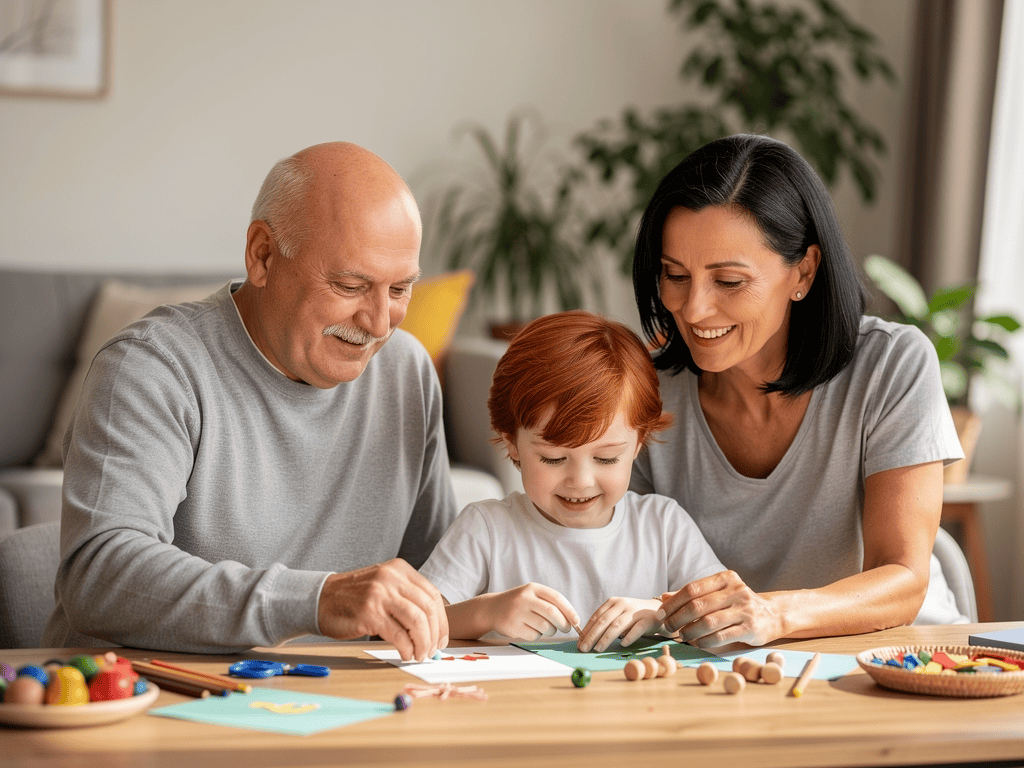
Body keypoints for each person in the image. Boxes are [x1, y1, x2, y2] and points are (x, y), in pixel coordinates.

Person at [43, 142, 455, 660]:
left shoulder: (407, 373)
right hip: (145, 701)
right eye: (351, 285)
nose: (377, 324)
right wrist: (316, 600)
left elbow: (433, 579)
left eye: (400, 290)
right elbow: (100, 575)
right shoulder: (151, 368)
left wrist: (488, 604)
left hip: (331, 702)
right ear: (262, 255)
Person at [628, 133, 966, 650]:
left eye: (729, 282)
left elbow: (903, 575)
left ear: (803, 271)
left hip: (905, 658)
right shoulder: (647, 391)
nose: (692, 309)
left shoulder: (892, 364)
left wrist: (774, 612)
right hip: (735, 673)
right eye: (675, 275)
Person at [419, 310, 726, 652]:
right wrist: (488, 613)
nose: (580, 481)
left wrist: (659, 611)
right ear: (512, 445)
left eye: (606, 458)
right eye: (553, 458)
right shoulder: (486, 529)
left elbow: (722, 612)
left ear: (638, 444)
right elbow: (416, 620)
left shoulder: (664, 527)